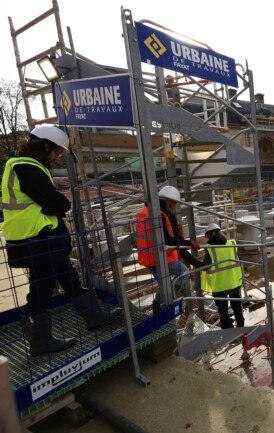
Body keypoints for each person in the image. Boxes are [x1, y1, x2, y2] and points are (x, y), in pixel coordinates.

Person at [1, 125, 120, 356]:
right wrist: (62, 202)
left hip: (37, 236)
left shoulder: (24, 165)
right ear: (44, 146)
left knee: (66, 273)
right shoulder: (26, 167)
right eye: (56, 152)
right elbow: (55, 203)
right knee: (42, 286)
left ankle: (93, 316)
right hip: (36, 236)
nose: (57, 158)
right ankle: (40, 340)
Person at [135, 185, 202, 310]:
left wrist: (187, 244)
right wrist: (189, 244)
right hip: (160, 257)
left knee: (163, 283)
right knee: (183, 272)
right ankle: (167, 299)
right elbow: (171, 241)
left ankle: (158, 306)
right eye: (174, 203)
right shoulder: (163, 215)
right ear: (169, 202)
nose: (174, 207)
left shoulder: (144, 212)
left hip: (146, 257)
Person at [201, 223, 244, 328]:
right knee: (237, 306)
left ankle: (229, 332)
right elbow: (239, 260)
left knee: (223, 310)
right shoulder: (232, 243)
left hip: (220, 286)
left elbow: (205, 267)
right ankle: (242, 328)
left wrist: (187, 256)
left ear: (209, 235)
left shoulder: (210, 248)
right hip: (234, 282)